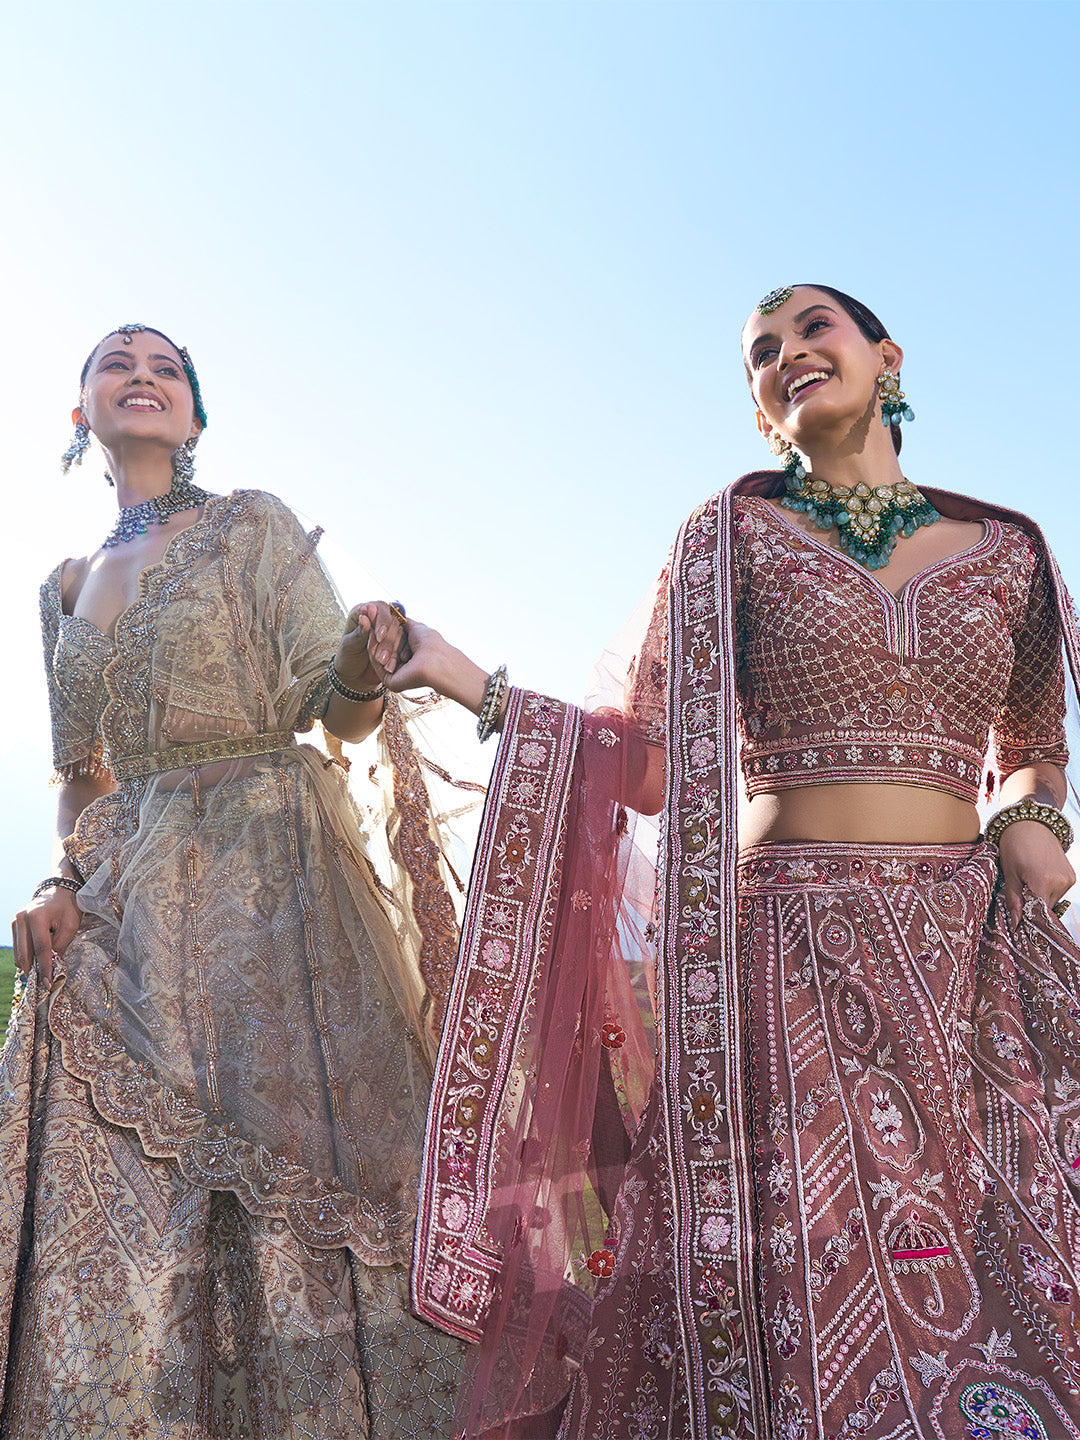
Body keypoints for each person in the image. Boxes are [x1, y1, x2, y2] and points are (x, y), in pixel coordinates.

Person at [389, 288, 1080, 1438]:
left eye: (816, 330)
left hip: (967, 965)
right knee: (796, 1286)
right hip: (777, 963)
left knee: (1010, 1259)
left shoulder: (1010, 551)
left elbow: (1037, 752)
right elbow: (653, 766)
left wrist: (1034, 820)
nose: (789, 355)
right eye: (763, 354)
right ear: (760, 408)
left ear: (886, 356)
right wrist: (482, 687)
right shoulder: (730, 539)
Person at [6, 324, 466, 1437]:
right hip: (131, 898)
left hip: (275, 880)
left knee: (299, 1178)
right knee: (103, 1161)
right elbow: (83, 776)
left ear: (197, 418)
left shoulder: (250, 524)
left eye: (166, 366)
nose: (142, 376)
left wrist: (360, 661)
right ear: (82, 418)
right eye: (115, 364)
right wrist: (61, 879)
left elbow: (339, 707)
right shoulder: (60, 584)